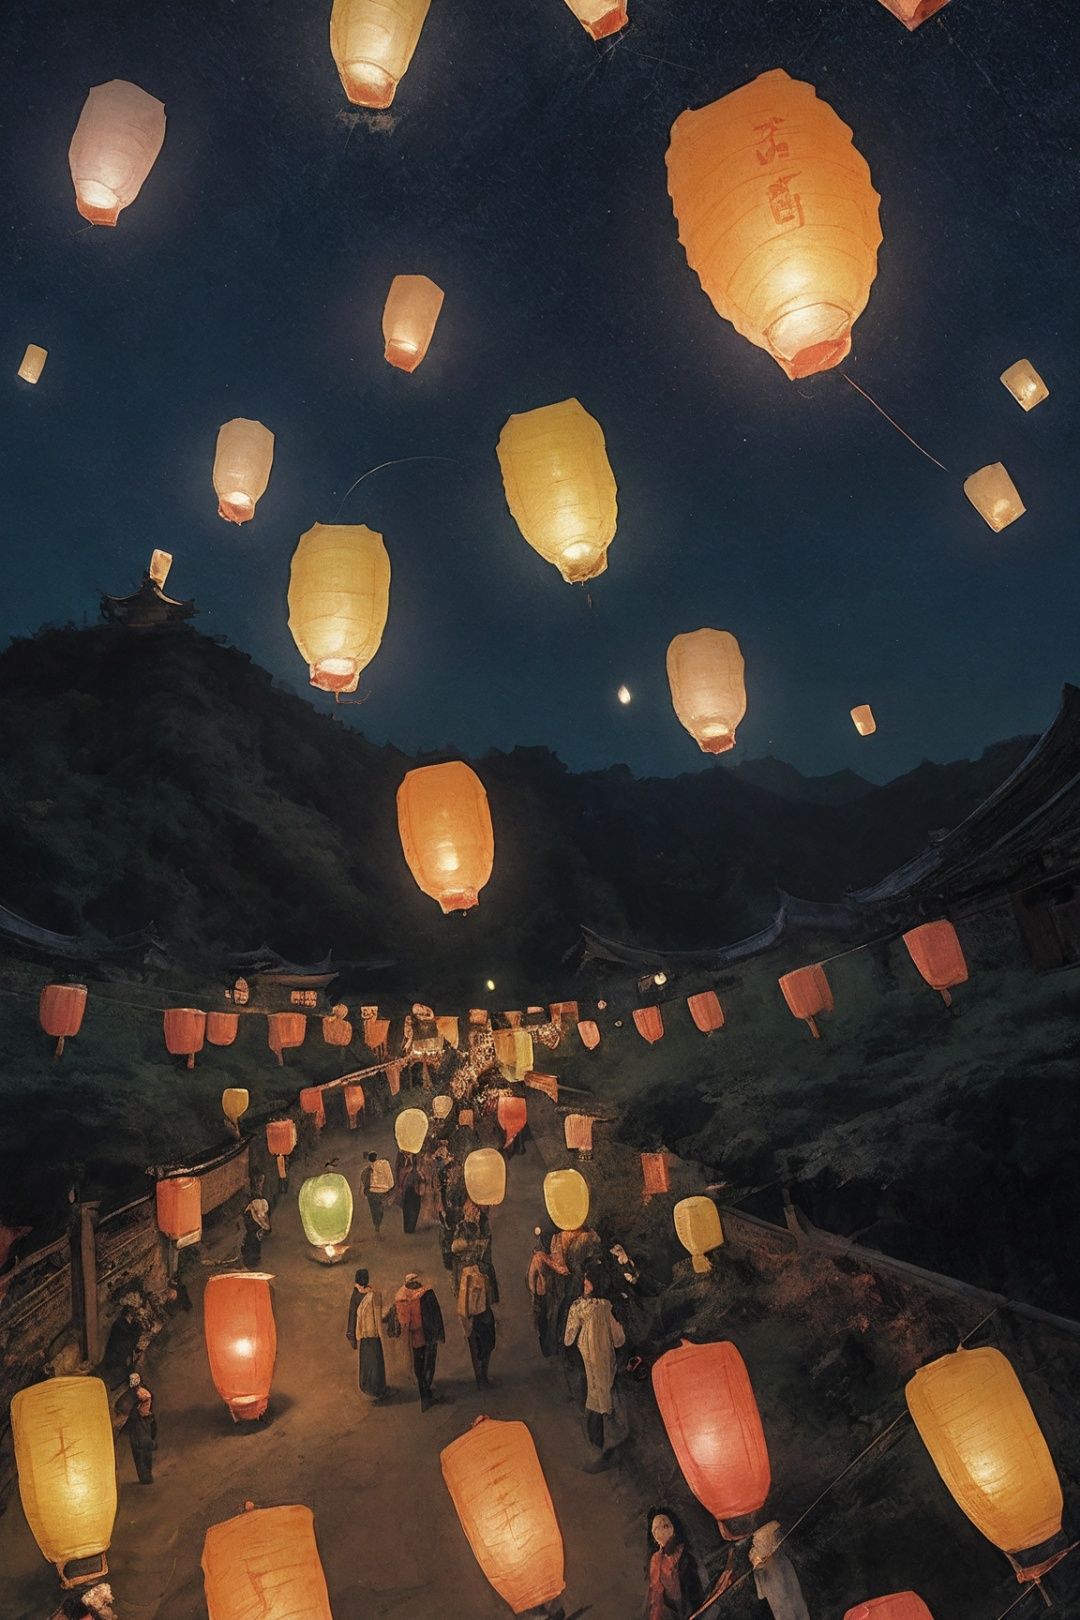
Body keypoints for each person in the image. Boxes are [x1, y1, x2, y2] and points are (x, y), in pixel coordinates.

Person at [563, 1261, 625, 1471]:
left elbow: (568, 1338)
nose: (585, 1282)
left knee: (593, 1403)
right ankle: (606, 1449)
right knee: (602, 1400)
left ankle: (599, 1452)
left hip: (587, 1359)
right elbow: (619, 1339)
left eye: (588, 1279)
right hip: (605, 1360)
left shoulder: (579, 1306)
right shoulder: (607, 1306)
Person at [395, 1270, 445, 1410]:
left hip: (416, 1337)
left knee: (420, 1366)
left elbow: (402, 1320)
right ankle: (426, 1395)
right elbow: (436, 1314)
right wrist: (439, 1334)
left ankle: (425, 1394)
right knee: (426, 1364)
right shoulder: (426, 1294)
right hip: (427, 1336)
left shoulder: (401, 1297)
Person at [644, 1507, 706, 1620]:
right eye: (656, 1528)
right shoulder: (656, 1559)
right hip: (669, 1612)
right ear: (654, 1536)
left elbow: (696, 1592)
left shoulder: (685, 1555)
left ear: (674, 1530)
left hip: (690, 1610)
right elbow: (655, 1593)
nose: (661, 1531)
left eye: (665, 1526)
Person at [750, 1522, 810, 1620]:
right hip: (781, 1580)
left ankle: (763, 1545)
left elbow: (762, 1594)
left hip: (774, 1585)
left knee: (774, 1574)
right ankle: (767, 1543)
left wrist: (759, 1571)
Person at [345, 1267, 387, 1401]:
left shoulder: (356, 1294)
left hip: (362, 1335)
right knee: (376, 1362)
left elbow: (352, 1315)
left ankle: (366, 1386)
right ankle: (377, 1389)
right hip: (373, 1334)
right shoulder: (371, 1294)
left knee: (366, 1361)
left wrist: (352, 1335)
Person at [457, 1255, 496, 1387]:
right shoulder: (477, 1275)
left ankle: (480, 1377)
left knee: (477, 1348)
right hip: (481, 1317)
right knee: (484, 1346)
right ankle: (481, 1377)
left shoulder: (465, 1275)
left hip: (473, 1317)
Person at [527, 1227, 565, 1358]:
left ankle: (549, 1350)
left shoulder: (540, 1256)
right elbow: (531, 1277)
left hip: (545, 1293)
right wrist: (534, 1293)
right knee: (548, 1320)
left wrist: (534, 1293)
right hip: (547, 1293)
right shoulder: (543, 1257)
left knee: (547, 1321)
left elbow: (531, 1277)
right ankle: (549, 1350)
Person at [114, 1373, 156, 1484]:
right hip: (137, 1423)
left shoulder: (142, 1393)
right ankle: (145, 1476)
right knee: (139, 1450)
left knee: (143, 1449)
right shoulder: (133, 1394)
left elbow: (143, 1408)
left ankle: (146, 1476)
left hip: (141, 1422)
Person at [359, 1151, 393, 1236]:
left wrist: (362, 1194)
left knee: (375, 1210)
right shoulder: (382, 1165)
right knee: (379, 1210)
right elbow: (389, 1180)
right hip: (381, 1193)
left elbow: (363, 1185)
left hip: (372, 1194)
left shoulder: (366, 1171)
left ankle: (377, 1227)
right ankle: (377, 1226)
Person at [396, 1151, 422, 1235]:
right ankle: (408, 1228)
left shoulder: (417, 1157)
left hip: (415, 1186)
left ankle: (411, 1227)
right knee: (407, 1208)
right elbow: (398, 1169)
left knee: (415, 1207)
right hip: (406, 1187)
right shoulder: (401, 1157)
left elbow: (420, 1169)